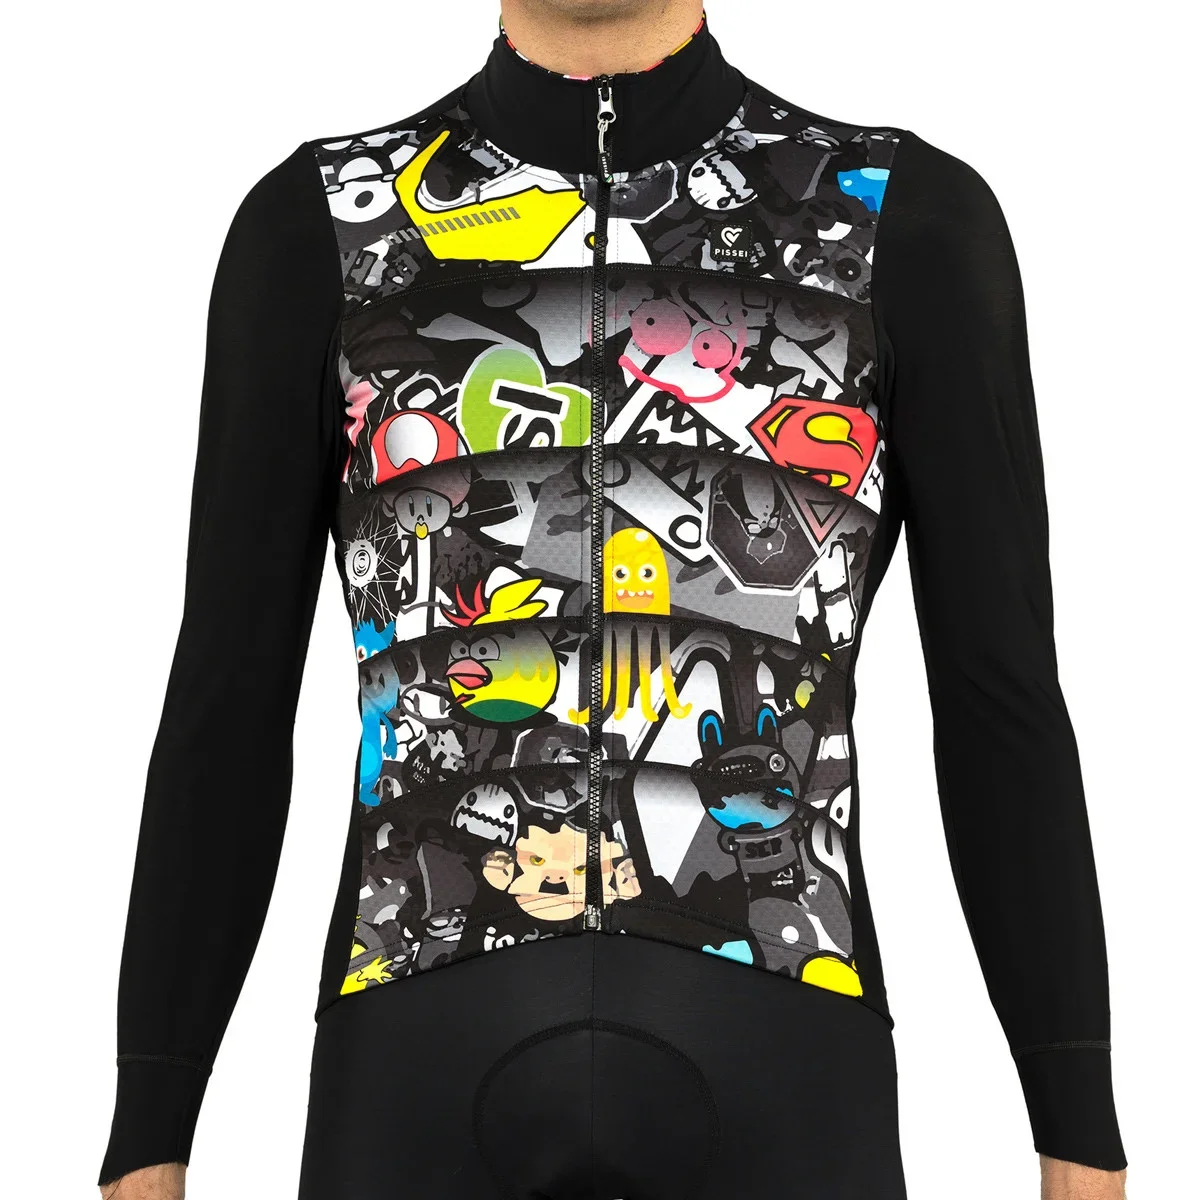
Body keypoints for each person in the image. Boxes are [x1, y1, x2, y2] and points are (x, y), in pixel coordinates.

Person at [98, 2, 1128, 1197]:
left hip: (785, 1043)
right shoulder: (319, 228)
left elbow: (1001, 697)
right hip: (416, 1046)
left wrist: (1077, 1118)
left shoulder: (898, 222)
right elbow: (227, 698)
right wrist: (149, 1125)